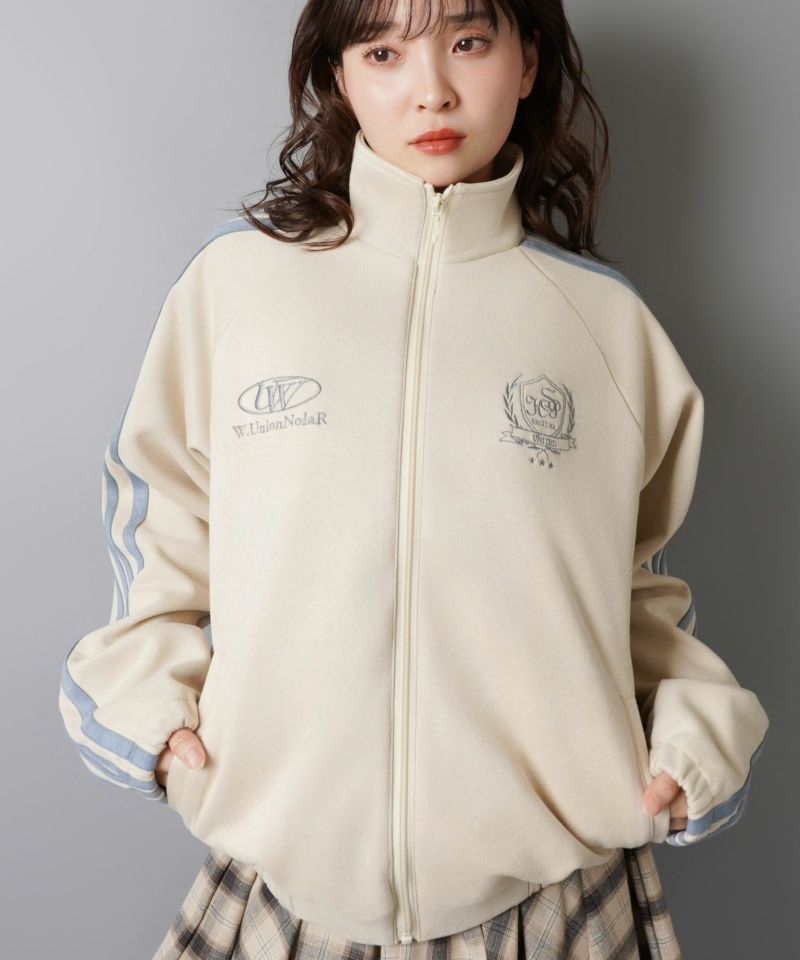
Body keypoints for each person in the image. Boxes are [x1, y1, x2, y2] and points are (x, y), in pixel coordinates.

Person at [57, 1, 770, 957]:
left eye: (467, 43)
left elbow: (635, 594)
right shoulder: (236, 289)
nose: (431, 90)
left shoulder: (607, 329)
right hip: (286, 892)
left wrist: (689, 741)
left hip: (552, 902)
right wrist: (148, 709)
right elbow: (161, 531)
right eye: (384, 52)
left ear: (528, 62)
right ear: (339, 78)